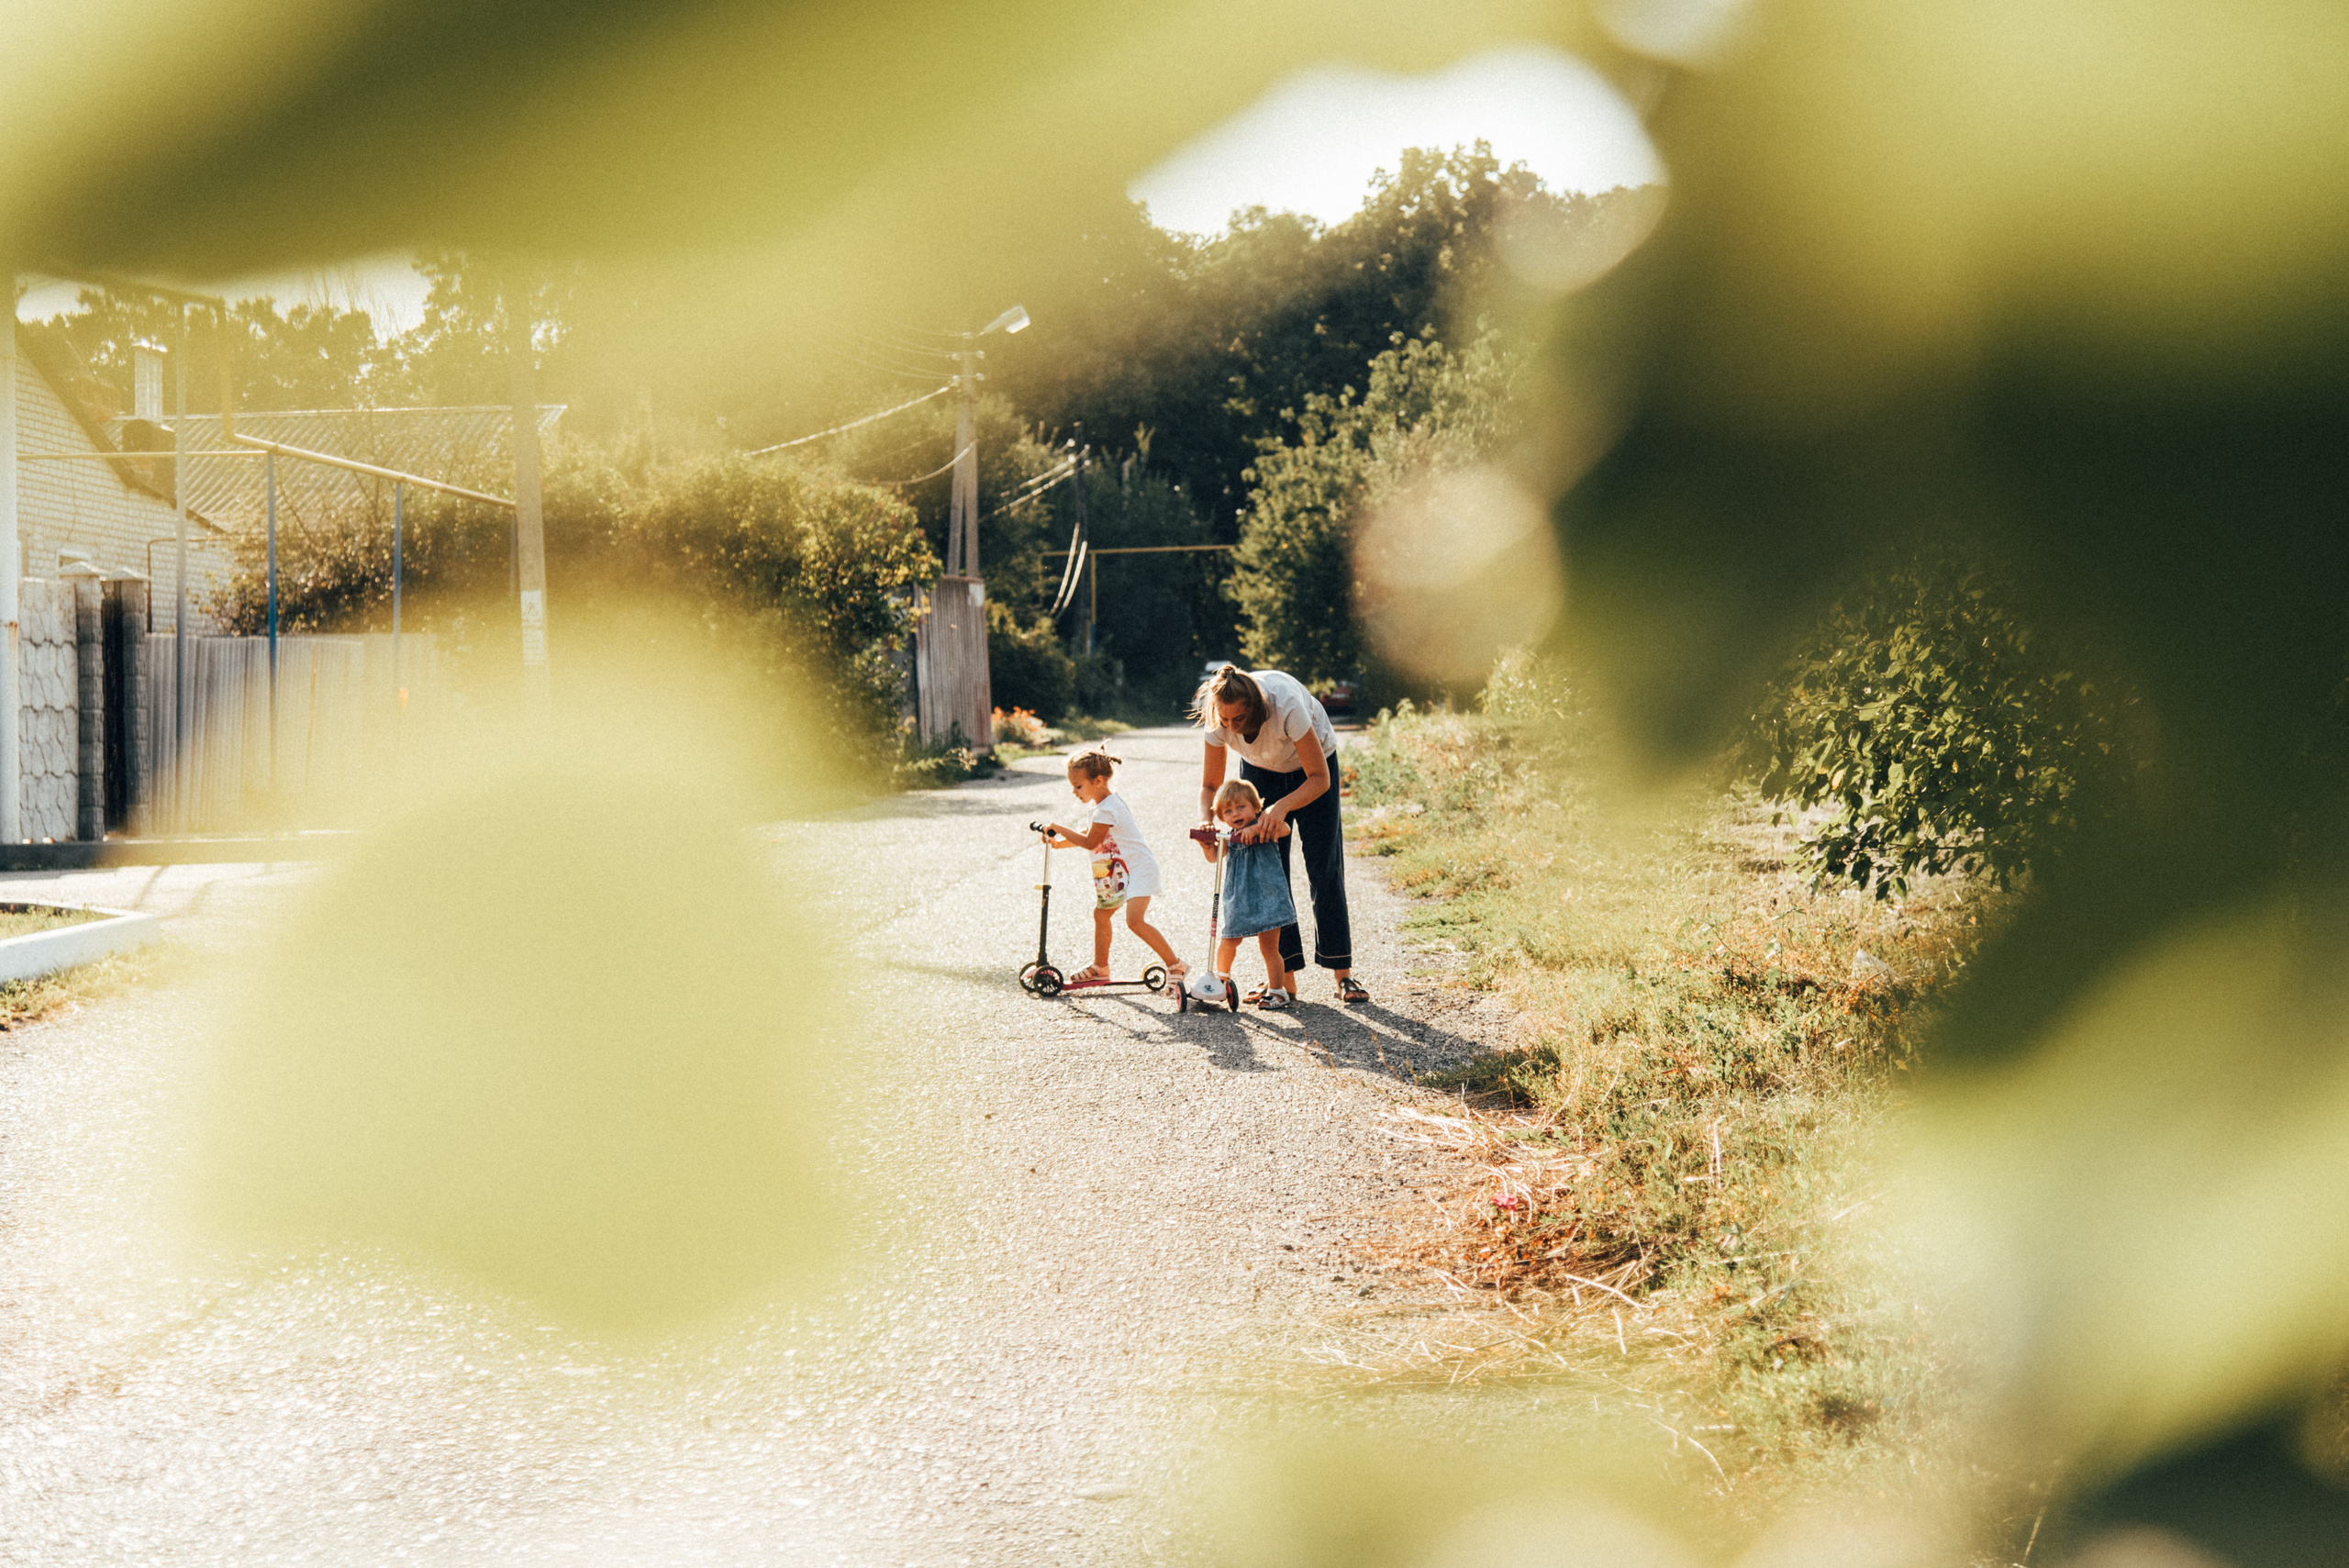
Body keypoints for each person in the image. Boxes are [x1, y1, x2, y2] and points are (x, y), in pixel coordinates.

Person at [1195, 664, 1369, 1005]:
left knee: (1324, 867)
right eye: (1225, 721)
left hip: (1314, 769)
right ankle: (1283, 980)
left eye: (1239, 719)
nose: (1230, 727)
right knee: (1269, 875)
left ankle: (1342, 974)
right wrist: (1206, 822)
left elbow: (1320, 778)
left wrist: (1280, 808)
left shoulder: (1285, 703)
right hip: (1261, 773)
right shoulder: (1219, 718)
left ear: (1256, 708)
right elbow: (1209, 786)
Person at [1040, 748, 1186, 985]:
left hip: (1139, 869)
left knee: (1135, 921)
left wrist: (1060, 828)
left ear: (1097, 781)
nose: (1074, 791)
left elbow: (1090, 842)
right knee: (1101, 915)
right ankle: (1101, 967)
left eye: (1078, 786)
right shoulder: (1101, 807)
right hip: (1122, 871)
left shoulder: (1108, 808)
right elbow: (1090, 836)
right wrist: (1058, 844)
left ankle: (1175, 964)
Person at [1200, 779, 1298, 1008]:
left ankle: (1277, 990)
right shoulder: (1228, 837)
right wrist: (1206, 846)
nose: (1235, 813)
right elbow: (1214, 857)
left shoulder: (1265, 827)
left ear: (1256, 807)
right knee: (1228, 942)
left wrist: (1256, 828)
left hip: (1269, 896)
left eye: (1241, 807)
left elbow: (1285, 828)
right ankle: (1221, 980)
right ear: (1222, 817)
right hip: (1239, 900)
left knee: (1269, 948)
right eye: (1228, 811)